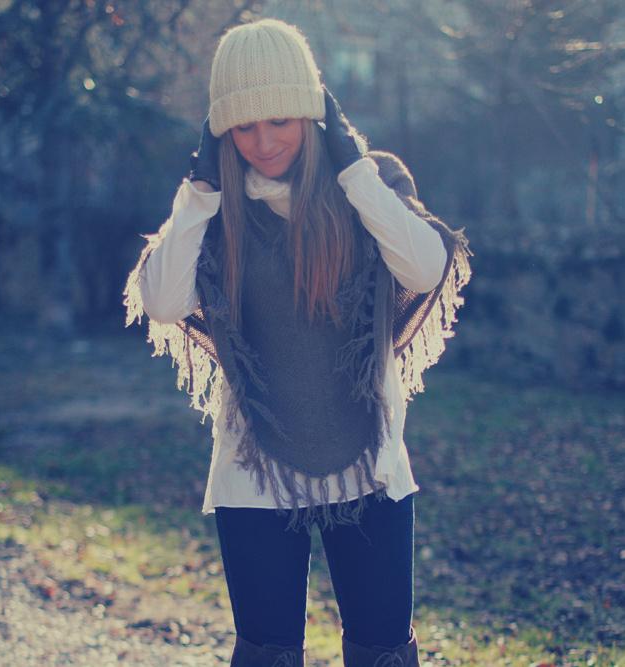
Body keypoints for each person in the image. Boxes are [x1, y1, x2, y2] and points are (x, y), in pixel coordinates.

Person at [123, 17, 473, 667]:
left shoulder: (369, 184)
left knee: (381, 651)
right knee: (267, 653)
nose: (262, 142)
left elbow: (425, 268)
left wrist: (353, 168)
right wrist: (198, 189)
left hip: (369, 463)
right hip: (254, 469)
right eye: (243, 125)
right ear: (220, 129)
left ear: (313, 114)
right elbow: (166, 301)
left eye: (280, 120)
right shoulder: (213, 206)